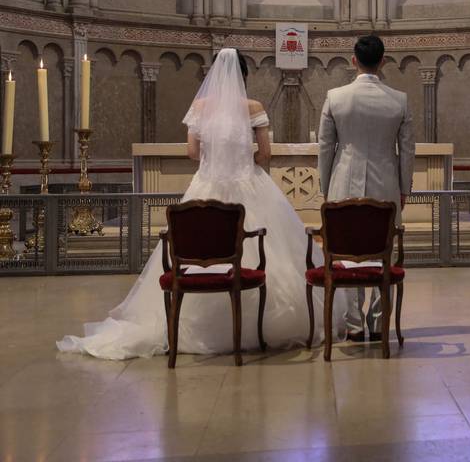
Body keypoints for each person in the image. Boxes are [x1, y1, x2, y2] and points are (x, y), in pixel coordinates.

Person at [58, 48, 346, 359]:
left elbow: (192, 153)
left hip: (206, 185)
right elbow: (264, 153)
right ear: (243, 76)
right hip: (250, 185)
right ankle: (260, 325)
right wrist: (243, 162)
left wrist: (215, 160)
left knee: (195, 247)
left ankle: (194, 321)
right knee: (270, 250)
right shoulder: (253, 107)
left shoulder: (200, 106)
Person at [318, 34, 414, 342]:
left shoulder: (336, 97)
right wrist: (404, 188)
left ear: (353, 60)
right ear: (383, 61)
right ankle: (377, 321)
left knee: (346, 251)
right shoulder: (399, 100)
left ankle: (354, 324)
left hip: (343, 183)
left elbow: (325, 147)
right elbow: (407, 150)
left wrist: (325, 185)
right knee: (381, 251)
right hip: (386, 183)